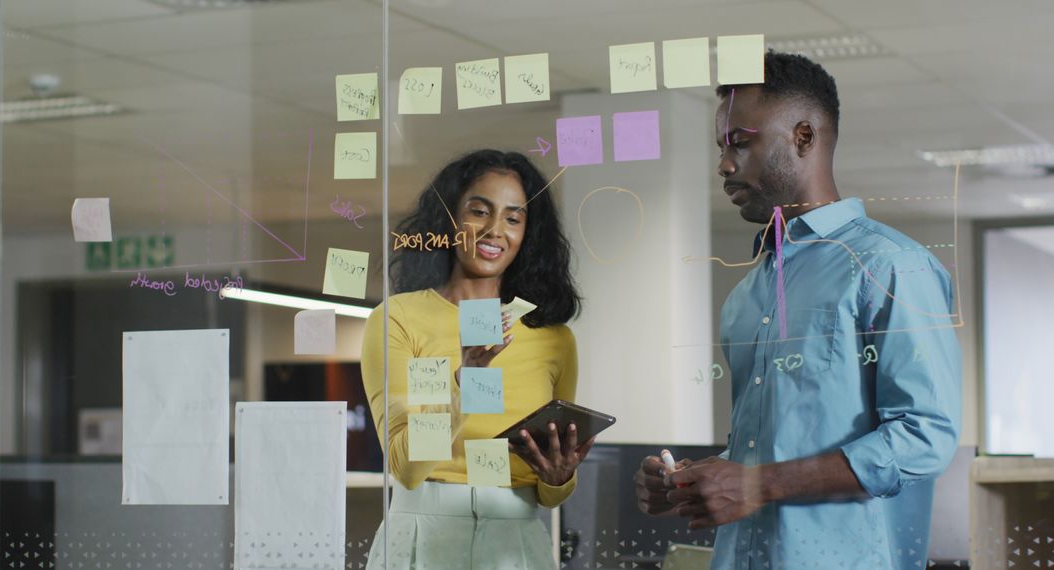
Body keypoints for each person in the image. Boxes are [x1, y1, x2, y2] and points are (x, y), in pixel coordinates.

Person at [634, 52, 961, 569]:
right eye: (721, 147)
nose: (724, 164)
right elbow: (772, 449)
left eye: (740, 142)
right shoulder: (749, 293)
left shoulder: (893, 266)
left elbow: (925, 438)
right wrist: (698, 481)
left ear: (803, 137)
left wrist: (756, 483)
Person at [361, 149, 593, 569]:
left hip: (516, 540)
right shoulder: (398, 319)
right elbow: (407, 468)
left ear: (528, 234)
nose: (494, 231)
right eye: (479, 211)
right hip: (422, 536)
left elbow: (550, 488)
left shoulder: (554, 339)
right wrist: (465, 383)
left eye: (513, 218)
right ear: (449, 219)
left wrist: (560, 478)